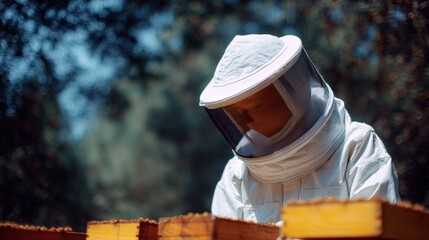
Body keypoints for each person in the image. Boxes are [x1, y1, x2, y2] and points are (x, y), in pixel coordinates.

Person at [198, 34, 400, 223]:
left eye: (256, 106)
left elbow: (380, 228)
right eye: (239, 114)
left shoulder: (356, 146)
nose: (247, 121)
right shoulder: (237, 174)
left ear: (294, 91)